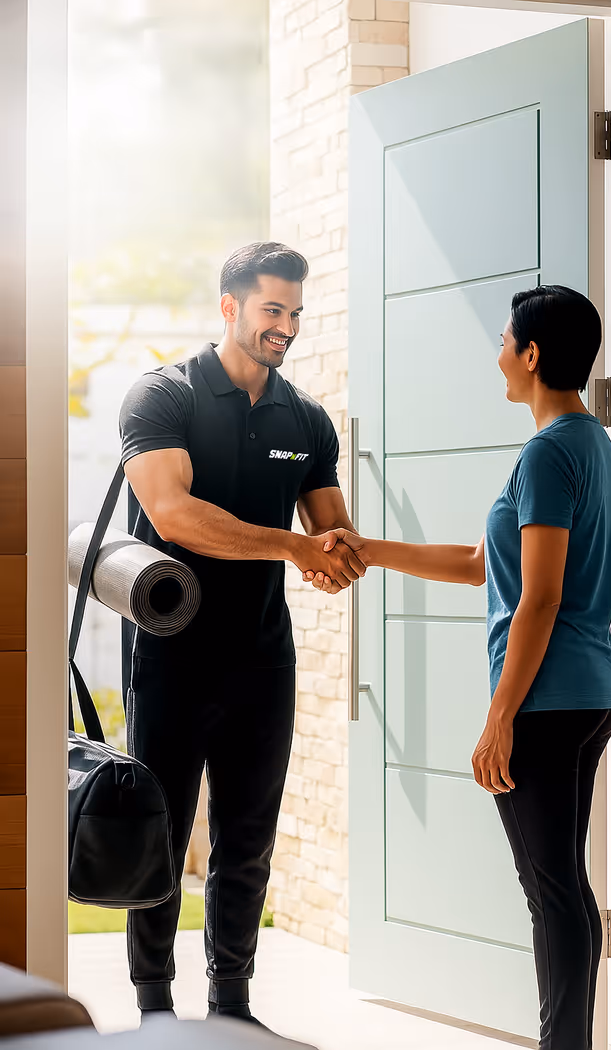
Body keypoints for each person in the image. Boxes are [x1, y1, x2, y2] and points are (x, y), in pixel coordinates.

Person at [306, 286, 611, 1050]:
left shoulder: (549, 452)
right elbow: (488, 564)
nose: (499, 353)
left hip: (546, 700)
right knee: (563, 885)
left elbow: (539, 600)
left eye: (506, 339)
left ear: (533, 355)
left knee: (550, 891)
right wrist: (370, 548)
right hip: (588, 693)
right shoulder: (588, 443)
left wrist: (499, 717)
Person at [119, 242, 364, 1026]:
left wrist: (335, 557)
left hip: (263, 657)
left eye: (295, 312)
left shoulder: (307, 420)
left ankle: (231, 1004)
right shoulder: (163, 396)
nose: (286, 327)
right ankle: (155, 1005)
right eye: (271, 310)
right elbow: (173, 513)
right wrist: (294, 546)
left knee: (248, 837)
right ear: (229, 307)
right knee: (159, 832)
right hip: (169, 655)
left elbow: (333, 532)